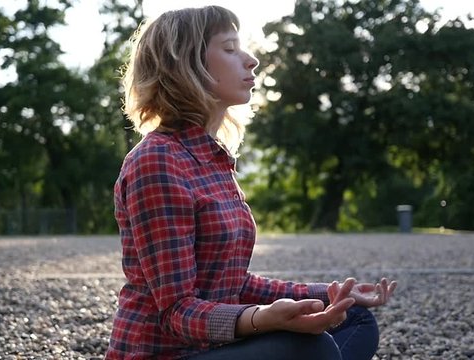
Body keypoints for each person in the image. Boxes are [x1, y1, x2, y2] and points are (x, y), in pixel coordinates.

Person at [106, 5, 397, 360]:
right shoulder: (157, 161)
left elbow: (233, 283)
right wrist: (263, 319)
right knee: (311, 348)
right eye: (229, 49)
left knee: (355, 319)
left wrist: (330, 294)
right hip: (168, 353)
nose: (251, 60)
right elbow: (176, 312)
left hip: (214, 346)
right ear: (186, 64)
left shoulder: (212, 158)